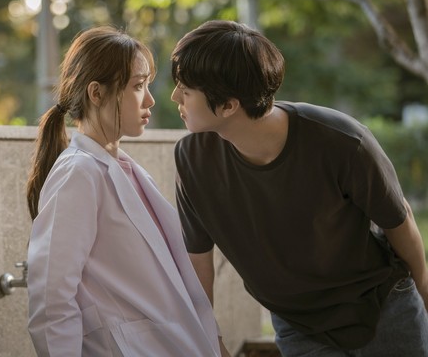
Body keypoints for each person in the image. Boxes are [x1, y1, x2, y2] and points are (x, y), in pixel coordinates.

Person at [169, 20, 428, 356]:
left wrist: (424, 292)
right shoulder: (192, 160)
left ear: (229, 105)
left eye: (186, 90)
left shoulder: (343, 141)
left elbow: (398, 219)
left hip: (383, 308)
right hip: (299, 327)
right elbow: (197, 258)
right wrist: (208, 339)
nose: (175, 96)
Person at [25, 26, 228, 357]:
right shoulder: (78, 173)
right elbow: (51, 299)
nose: (150, 99)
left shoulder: (127, 171)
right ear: (96, 93)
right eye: (137, 86)